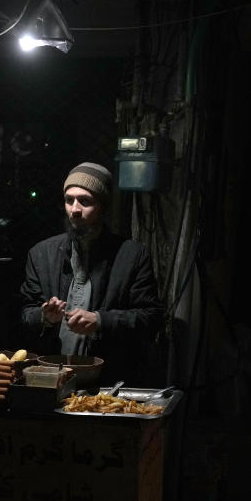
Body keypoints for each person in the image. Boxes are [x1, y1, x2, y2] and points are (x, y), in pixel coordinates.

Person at [20, 162, 163, 382]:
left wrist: (100, 320)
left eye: (85, 201)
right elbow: (23, 313)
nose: (75, 209)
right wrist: (45, 316)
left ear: (103, 206)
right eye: (69, 200)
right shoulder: (41, 254)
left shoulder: (131, 255)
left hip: (107, 379)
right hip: (51, 376)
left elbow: (151, 318)